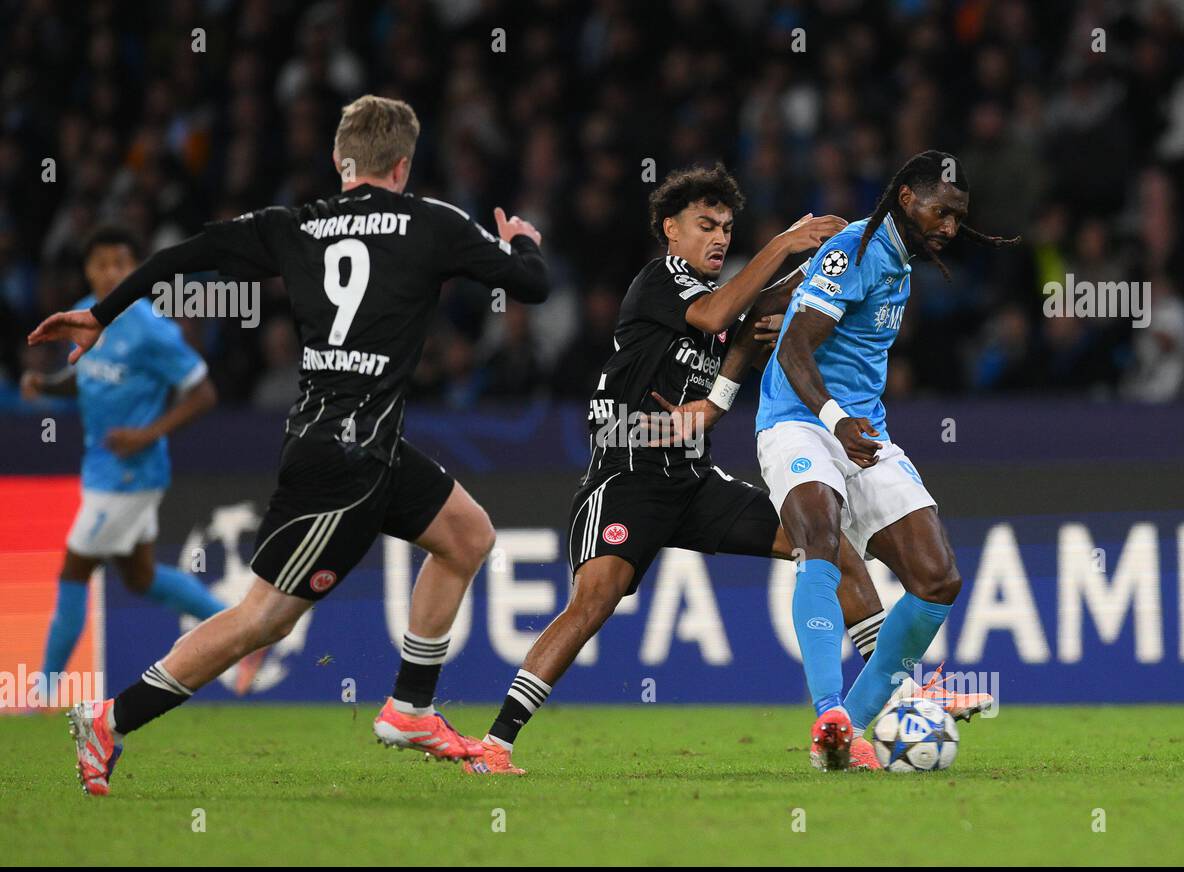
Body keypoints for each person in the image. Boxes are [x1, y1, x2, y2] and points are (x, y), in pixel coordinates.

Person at [28, 95, 549, 795]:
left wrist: (99, 312)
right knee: (262, 619)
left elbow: (189, 254)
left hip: (359, 446)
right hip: (345, 463)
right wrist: (521, 240)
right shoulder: (434, 222)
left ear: (341, 163)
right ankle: (110, 718)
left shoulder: (296, 225)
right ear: (403, 164)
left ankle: (410, 708)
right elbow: (532, 286)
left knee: (466, 534)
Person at [468, 163, 889, 775]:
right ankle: (495, 744)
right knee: (595, 599)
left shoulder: (716, 292)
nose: (719, 237)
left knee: (831, 549)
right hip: (627, 473)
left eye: (726, 227)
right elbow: (721, 319)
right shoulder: (659, 282)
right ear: (671, 229)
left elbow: (742, 331)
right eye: (705, 225)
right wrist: (784, 241)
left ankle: (860, 723)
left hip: (691, 479)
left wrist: (828, 261)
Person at [755, 151, 1014, 769]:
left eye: (958, 219)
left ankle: (849, 729)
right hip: (800, 423)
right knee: (818, 535)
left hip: (864, 435)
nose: (949, 228)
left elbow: (801, 317)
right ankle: (828, 713)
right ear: (905, 198)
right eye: (941, 212)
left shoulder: (898, 262)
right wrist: (836, 420)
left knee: (938, 578)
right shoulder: (855, 248)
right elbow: (794, 348)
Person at [21, 226, 225, 707]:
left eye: (120, 263)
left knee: (74, 570)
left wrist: (147, 433)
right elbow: (87, 378)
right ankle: (238, 624)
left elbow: (205, 393)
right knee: (140, 577)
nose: (110, 272)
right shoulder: (86, 315)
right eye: (101, 263)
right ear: (88, 269)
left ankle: (42, 694)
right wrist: (47, 387)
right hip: (104, 470)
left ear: (135, 269)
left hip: (130, 475)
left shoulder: (151, 327)